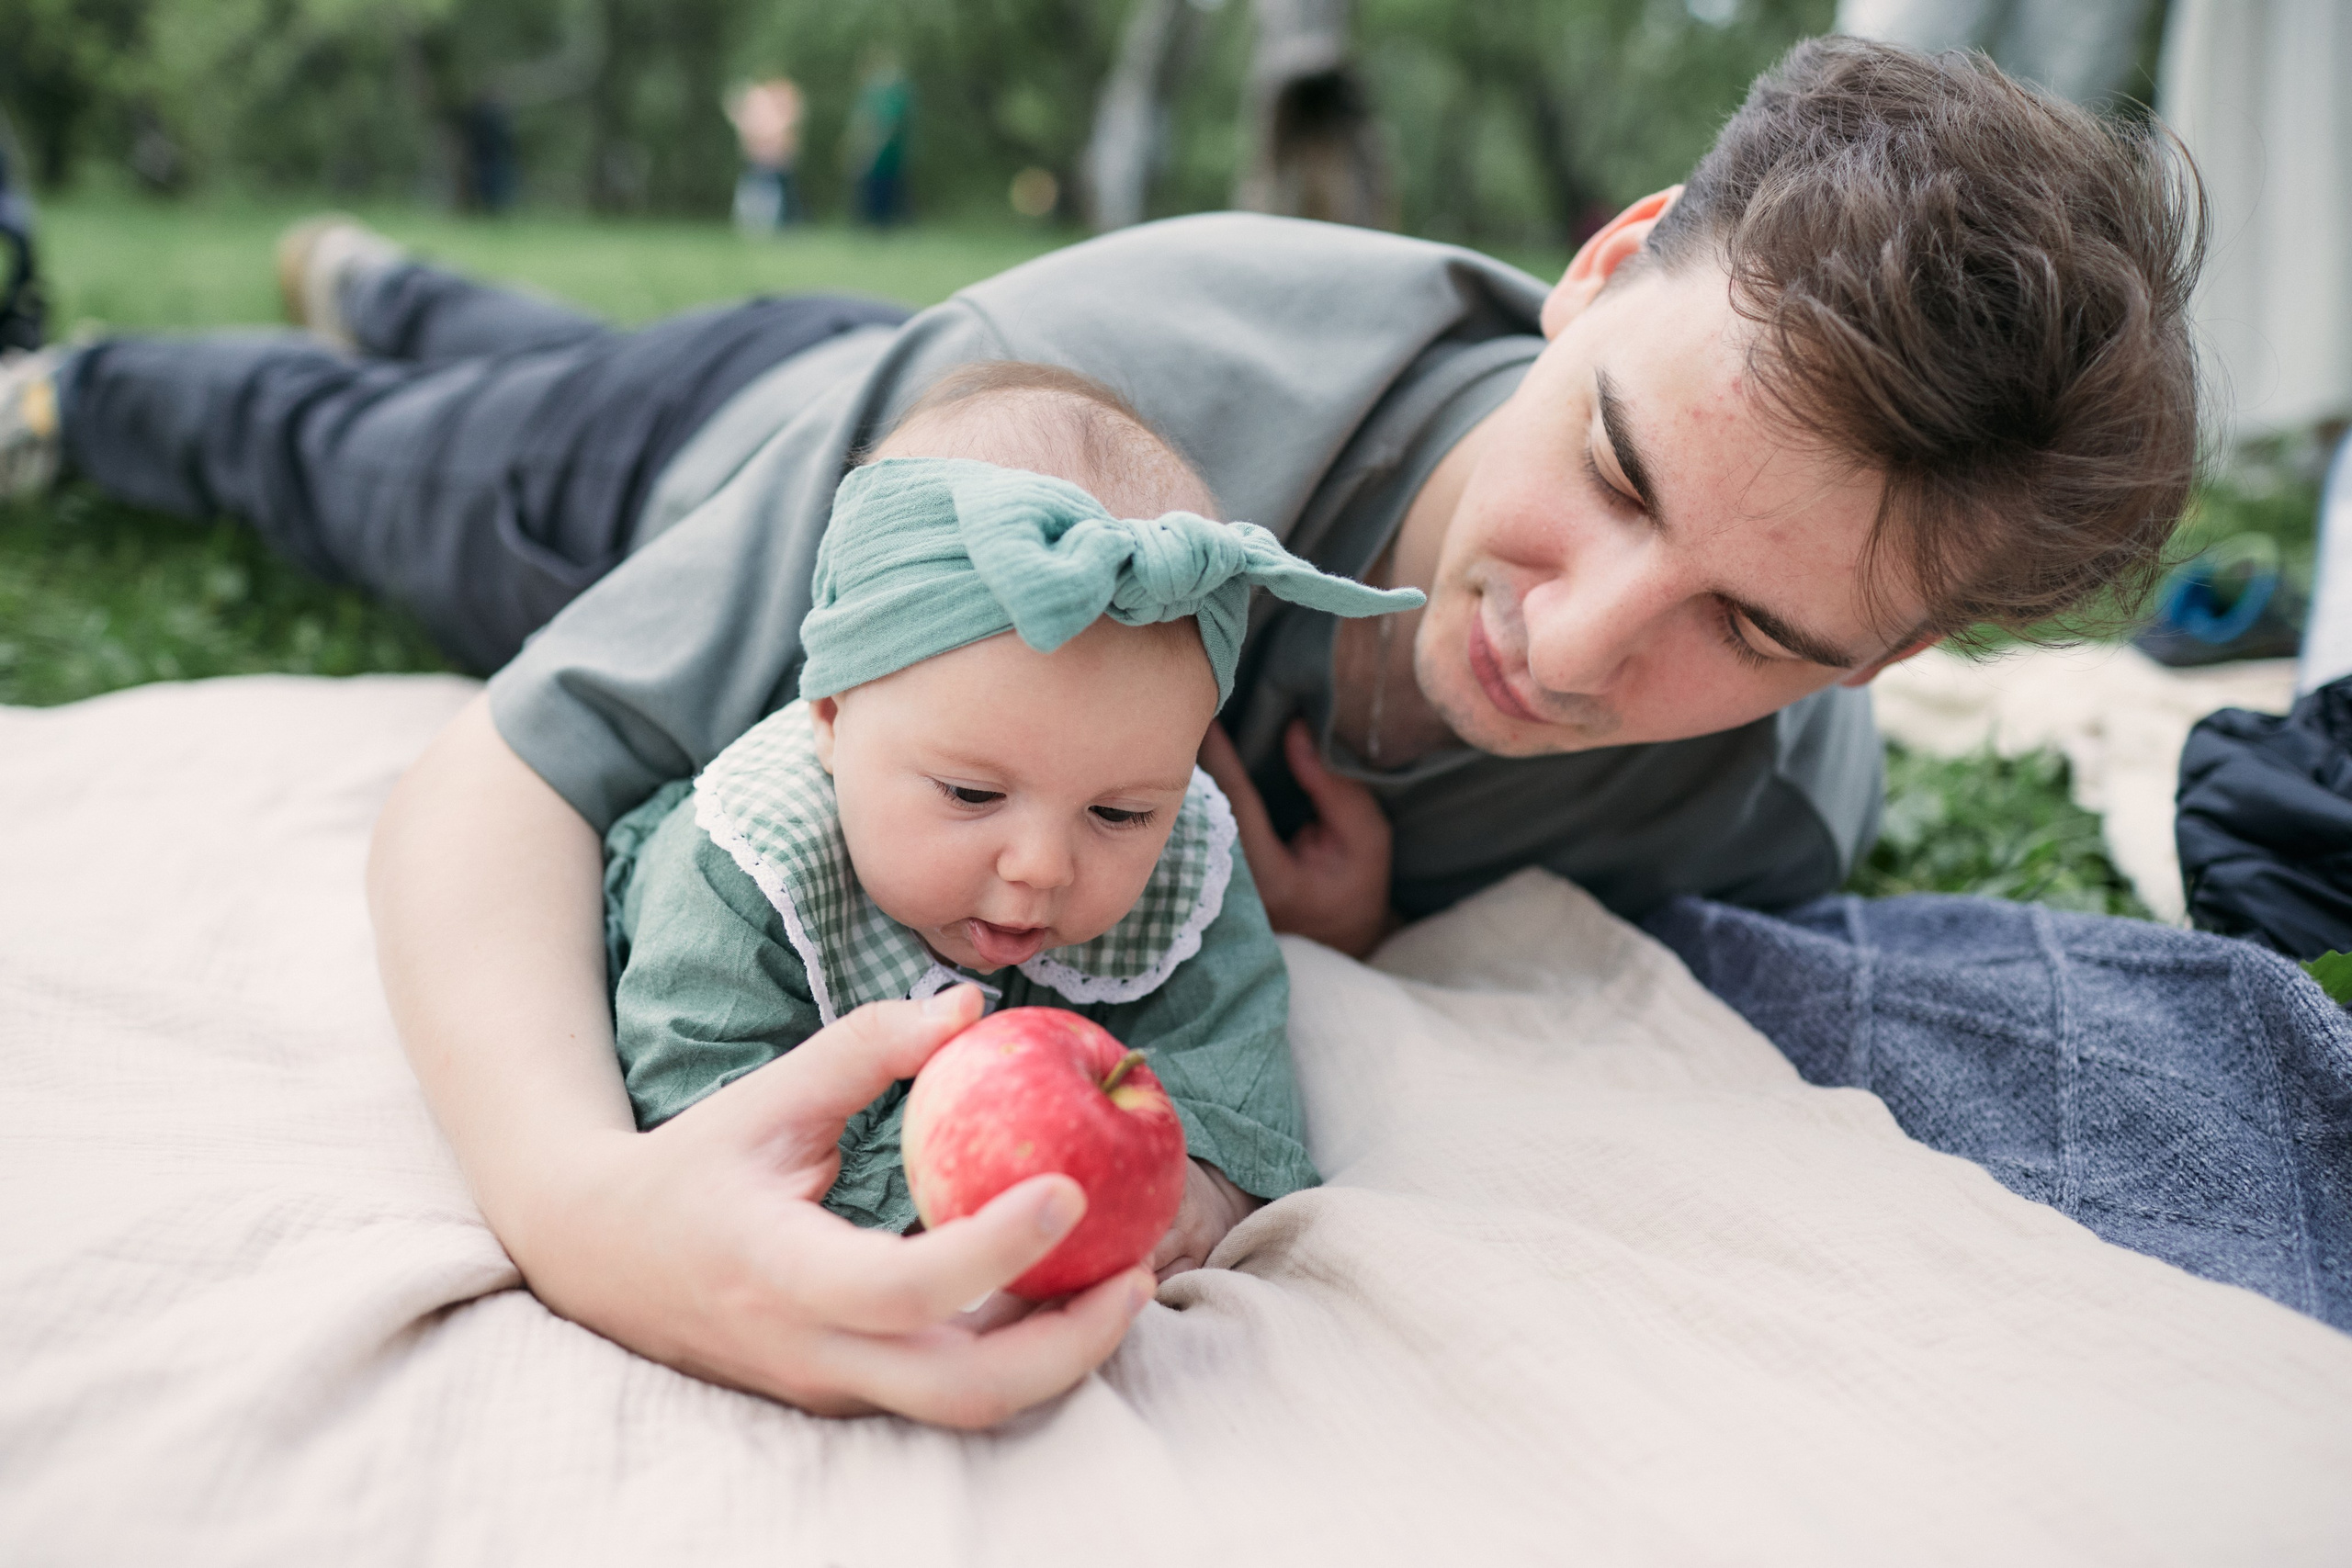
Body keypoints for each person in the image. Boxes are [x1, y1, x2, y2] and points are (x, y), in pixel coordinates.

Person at [0, 39, 2204, 1423]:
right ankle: (104, 384)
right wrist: (589, 1207)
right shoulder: (1154, 340)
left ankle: (401, 282)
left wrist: (1348, 919)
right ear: (1609, 259)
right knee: (394, 466)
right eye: (1617, 467)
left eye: (1749, 617)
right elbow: (504, 770)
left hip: (882, 360)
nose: (1575, 636)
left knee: (510, 354)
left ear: (1877, 655)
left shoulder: (1765, 802)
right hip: (729, 452)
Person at [605, 361, 1417, 1285]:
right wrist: (913, 1208)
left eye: (1117, 811)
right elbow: (698, 1100)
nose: (1039, 866)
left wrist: (1198, 1183)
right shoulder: (746, 867)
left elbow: (1230, 1053)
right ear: (830, 716)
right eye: (970, 794)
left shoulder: (1184, 857)